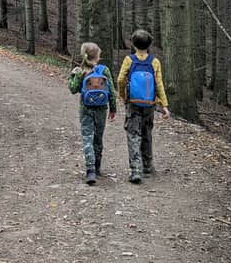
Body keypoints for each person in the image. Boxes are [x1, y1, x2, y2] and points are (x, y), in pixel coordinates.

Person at [116, 29, 171, 184]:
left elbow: (120, 80)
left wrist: (123, 95)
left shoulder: (129, 60)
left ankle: (135, 170)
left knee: (133, 134)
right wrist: (164, 105)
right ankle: (147, 165)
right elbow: (159, 85)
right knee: (147, 132)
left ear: (133, 44)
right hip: (149, 105)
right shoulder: (154, 62)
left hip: (132, 104)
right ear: (149, 45)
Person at [68, 42, 116, 185]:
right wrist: (113, 108)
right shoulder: (104, 70)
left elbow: (73, 89)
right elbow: (111, 91)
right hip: (101, 109)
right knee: (98, 138)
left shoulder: (81, 71)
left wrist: (72, 76)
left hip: (85, 109)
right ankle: (97, 166)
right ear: (98, 56)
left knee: (87, 138)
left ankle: (90, 170)